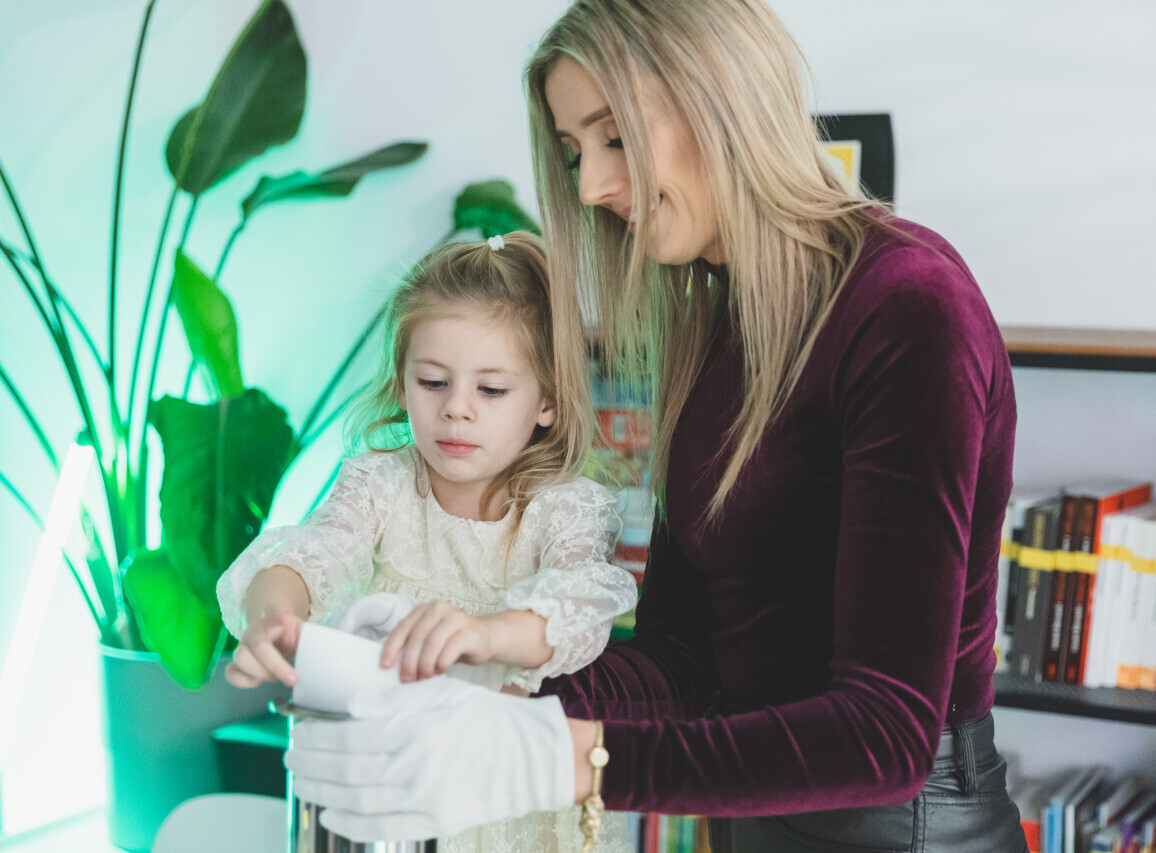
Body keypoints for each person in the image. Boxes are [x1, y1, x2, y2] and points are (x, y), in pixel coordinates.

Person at [285, 1, 1027, 851]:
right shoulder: (716, 331)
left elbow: (883, 736)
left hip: (905, 829)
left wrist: (557, 755)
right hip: (754, 823)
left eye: (615, 137)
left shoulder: (907, 309)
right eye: (575, 153)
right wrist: (476, 685)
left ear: (718, 96)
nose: (591, 187)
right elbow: (685, 661)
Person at [216, 232, 639, 853]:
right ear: (401, 383)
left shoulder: (566, 507)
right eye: (433, 382)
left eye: (491, 390)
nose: (456, 409)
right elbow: (311, 554)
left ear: (548, 400)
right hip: (391, 781)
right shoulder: (377, 484)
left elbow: (580, 606)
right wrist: (273, 616)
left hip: (507, 799)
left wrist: (484, 634)